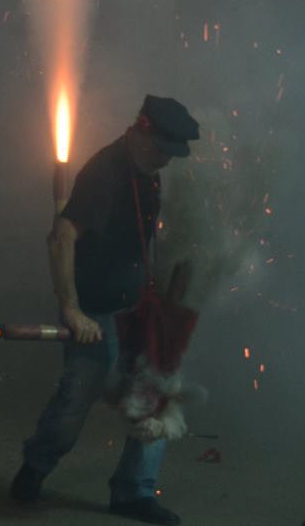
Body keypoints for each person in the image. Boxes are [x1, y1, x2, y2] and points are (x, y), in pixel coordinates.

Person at [11, 95, 200, 525]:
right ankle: (36, 465)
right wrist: (73, 311)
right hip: (95, 309)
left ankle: (133, 493)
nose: (166, 161)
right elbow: (60, 237)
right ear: (140, 131)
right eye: (161, 150)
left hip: (138, 308)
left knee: (156, 395)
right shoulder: (105, 173)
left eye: (173, 155)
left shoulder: (149, 172)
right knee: (74, 403)